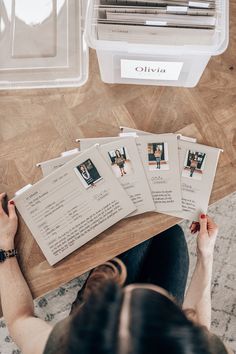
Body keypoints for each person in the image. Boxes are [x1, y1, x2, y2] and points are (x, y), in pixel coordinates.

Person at [0, 191, 232, 354]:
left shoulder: (67, 346)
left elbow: (20, 319)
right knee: (171, 234)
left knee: (132, 230)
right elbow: (200, 329)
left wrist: (4, 245)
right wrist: (206, 256)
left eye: (116, 301)